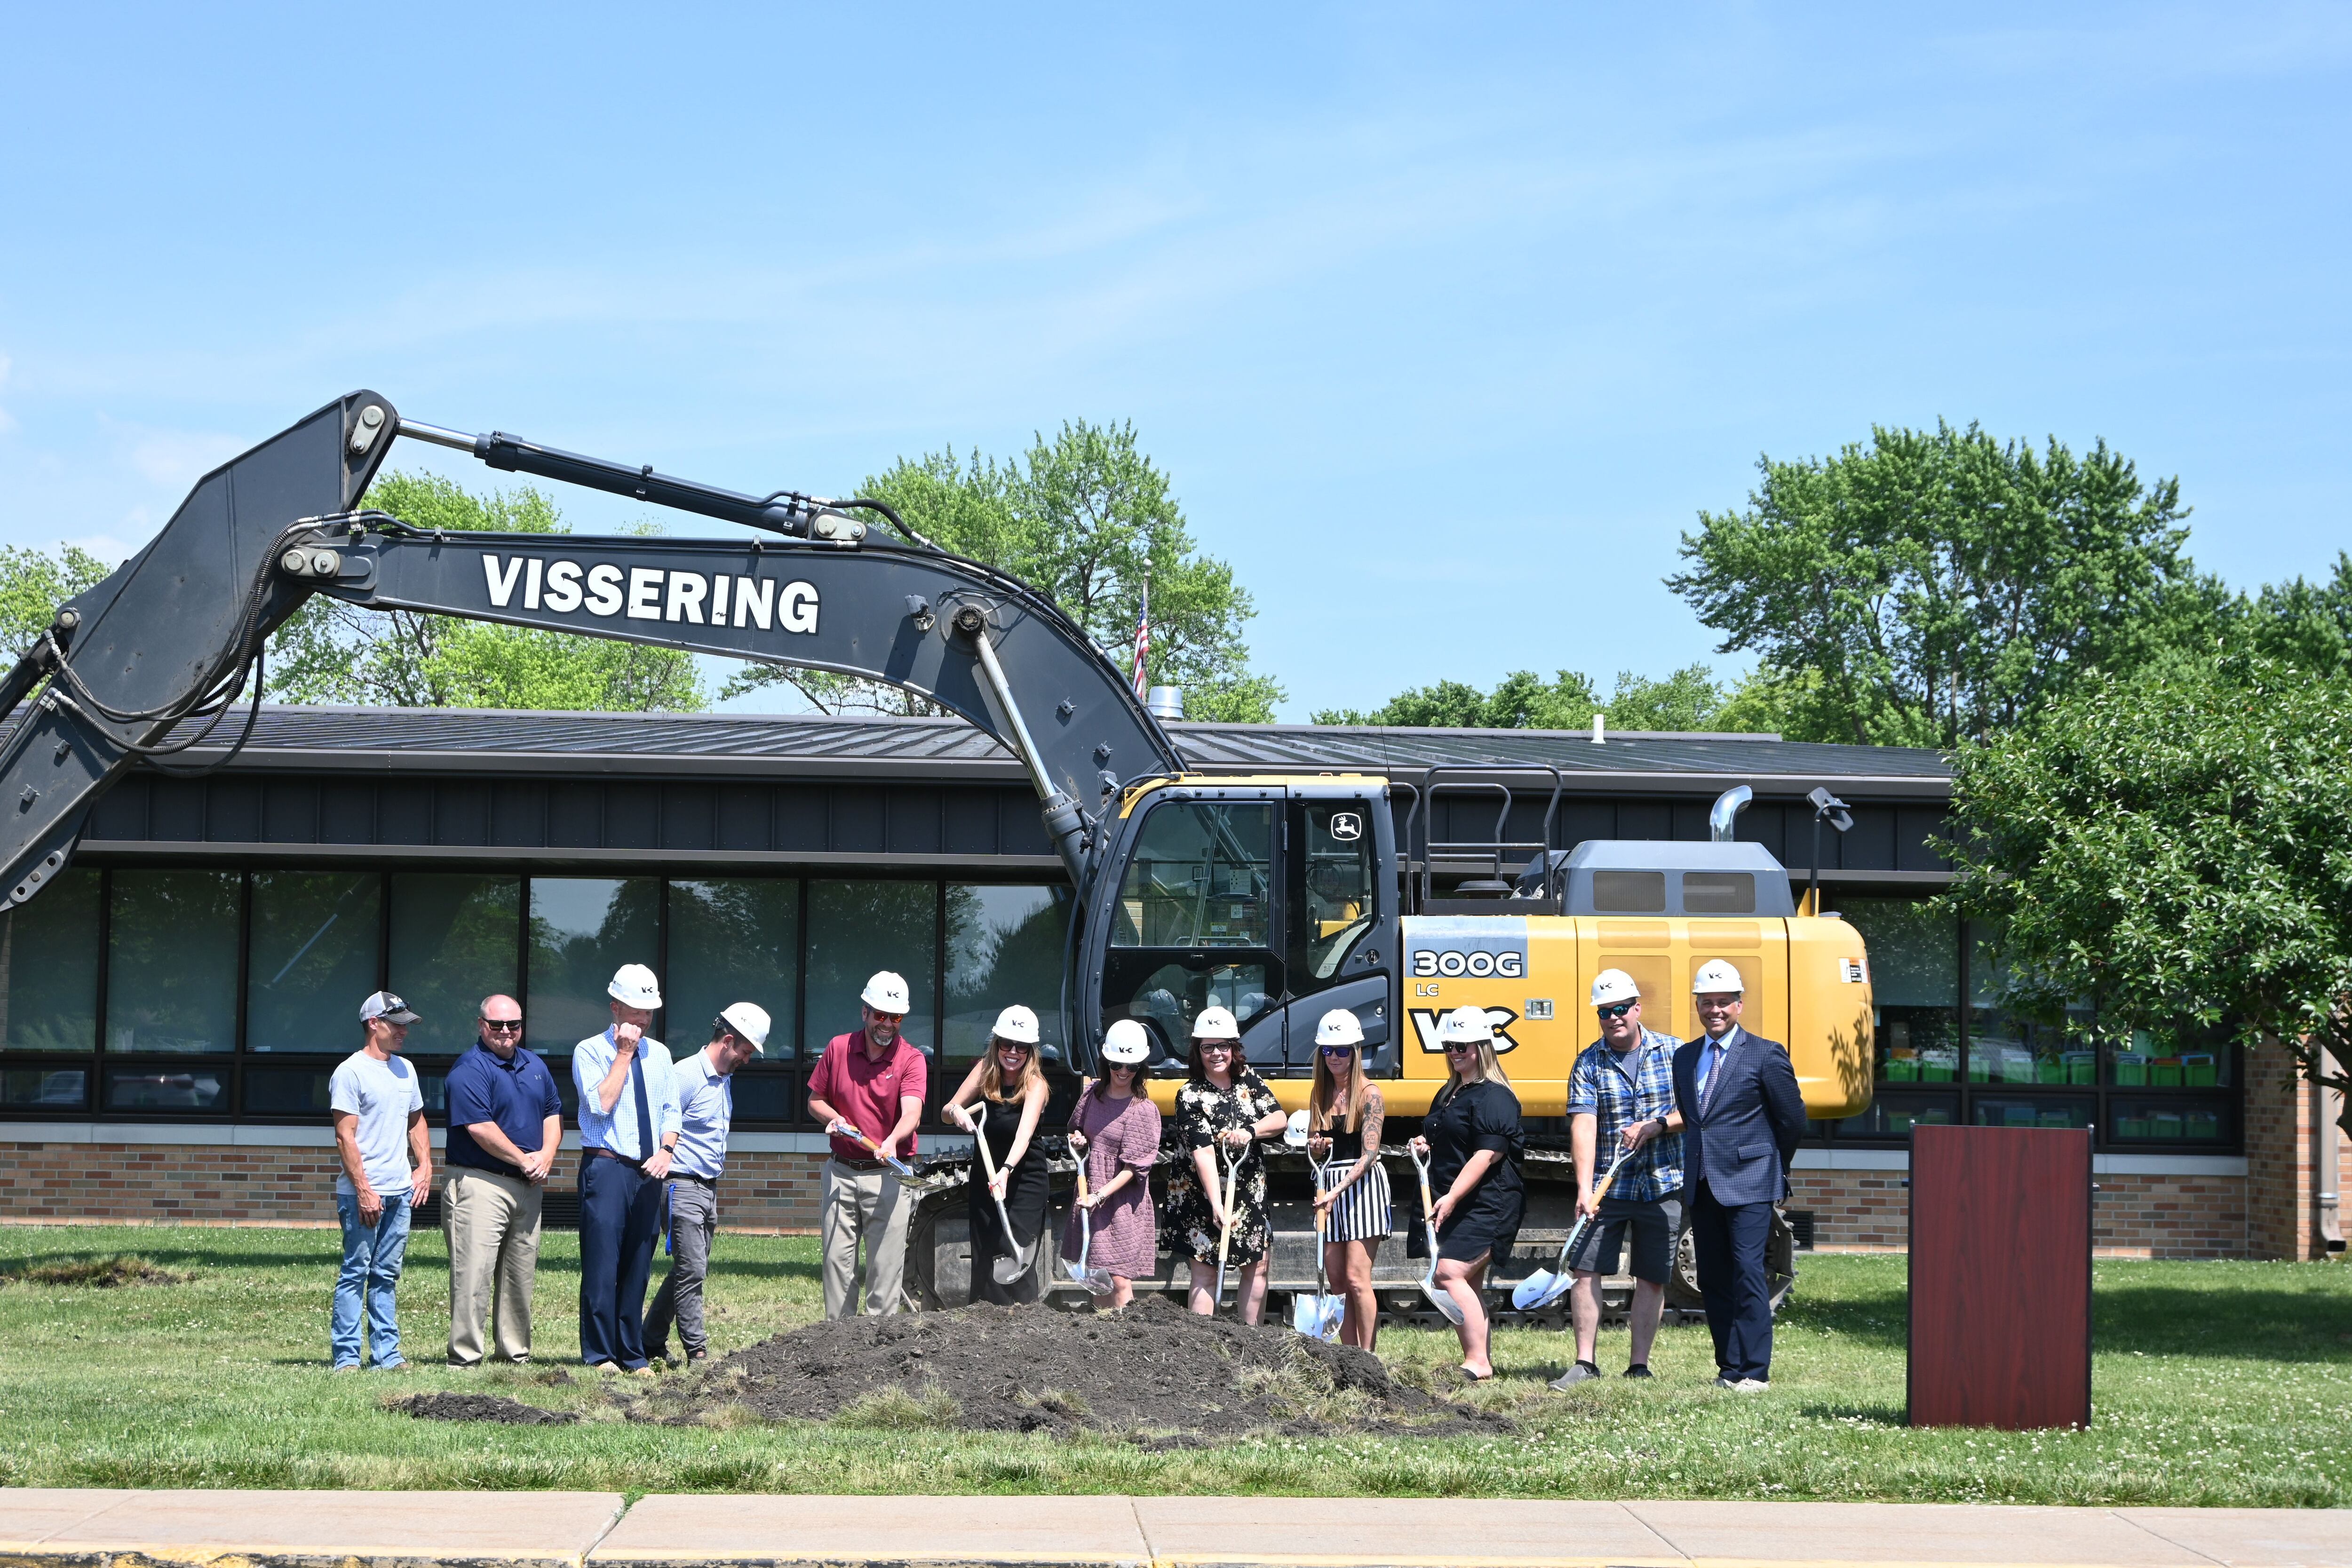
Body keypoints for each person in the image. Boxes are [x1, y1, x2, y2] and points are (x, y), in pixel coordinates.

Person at [1672, 957, 1807, 1391]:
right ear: (1698, 1005)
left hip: (1750, 1179)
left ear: (1739, 1005)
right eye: (1707, 1002)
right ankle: (1729, 1368)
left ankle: (1754, 1371)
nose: (1715, 1010)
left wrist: (1771, 1166)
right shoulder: (1685, 1056)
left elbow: (1792, 1120)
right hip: (1703, 1180)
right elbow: (1697, 1120)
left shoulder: (1766, 1054)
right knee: (1712, 1274)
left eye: (1724, 1002)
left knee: (1748, 1270)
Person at [1551, 968, 1685, 1390]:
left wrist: (1657, 1125)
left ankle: (1639, 1365)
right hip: (1610, 1191)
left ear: (1637, 1008)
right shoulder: (1589, 1062)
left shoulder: (1675, 1052)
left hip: (1663, 1183)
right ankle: (1585, 1362)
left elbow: (1697, 1112)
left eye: (1621, 1009)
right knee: (1585, 1269)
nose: (1614, 1017)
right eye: (1605, 1011)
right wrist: (1585, 1189)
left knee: (1651, 1275)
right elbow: (1585, 1126)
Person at [442, 993, 562, 1367]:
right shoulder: (470, 1069)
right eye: (497, 1025)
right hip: (480, 1182)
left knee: (519, 1276)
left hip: (527, 1185)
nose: (506, 1032)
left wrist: (546, 1156)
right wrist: (524, 1160)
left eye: (514, 1024)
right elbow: (480, 1127)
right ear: (482, 1025)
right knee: (473, 1273)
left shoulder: (535, 1065)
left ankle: (514, 1354)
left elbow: (553, 1113)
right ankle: (465, 1356)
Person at [645, 1002, 769, 1364]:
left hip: (707, 1187)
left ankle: (650, 1338)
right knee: (692, 1270)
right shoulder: (685, 1075)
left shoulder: (724, 1079)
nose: (747, 1059)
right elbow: (661, 1124)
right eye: (745, 1051)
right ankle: (697, 1352)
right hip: (681, 1185)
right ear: (728, 1040)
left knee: (689, 1268)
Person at [572, 963, 680, 1374]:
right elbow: (600, 1104)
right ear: (615, 1006)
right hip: (608, 1167)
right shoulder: (590, 1051)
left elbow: (672, 1108)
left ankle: (631, 1353)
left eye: (649, 1011)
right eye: (636, 1010)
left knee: (638, 1262)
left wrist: (667, 1150)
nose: (643, 1019)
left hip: (649, 1170)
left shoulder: (662, 1054)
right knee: (602, 1263)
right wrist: (624, 1053)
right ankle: (600, 1353)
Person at [1410, 1004, 1524, 1382]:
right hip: (1453, 1195)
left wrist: (1454, 1196)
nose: (1455, 1051)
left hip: (1489, 1201)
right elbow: (1451, 1138)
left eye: (1463, 1044)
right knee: (1466, 1281)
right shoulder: (1450, 1092)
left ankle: (1478, 1361)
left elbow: (1487, 1154)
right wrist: (1425, 1142)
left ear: (1483, 1046)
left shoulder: (1495, 1096)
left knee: (1448, 1272)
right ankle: (1477, 1361)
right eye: (1449, 1045)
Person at [805, 970, 927, 1318]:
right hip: (841, 1172)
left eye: (896, 1017)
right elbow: (815, 1101)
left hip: (889, 1175)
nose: (887, 1024)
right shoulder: (838, 1048)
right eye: (881, 1015)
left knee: (884, 1273)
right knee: (836, 1268)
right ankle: (838, 1347)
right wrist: (833, 1117)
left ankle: (879, 1353)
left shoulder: (912, 1059)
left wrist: (890, 1140)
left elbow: (912, 1114)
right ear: (865, 1012)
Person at [328, 990, 431, 1372]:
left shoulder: (406, 1069)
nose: (404, 1032)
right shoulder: (350, 1072)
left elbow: (416, 1119)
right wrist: (364, 1189)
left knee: (386, 1274)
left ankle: (388, 1356)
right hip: (364, 1195)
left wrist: (425, 1165)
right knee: (356, 1271)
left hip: (400, 1191)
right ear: (374, 1023)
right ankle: (347, 1357)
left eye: (407, 1025)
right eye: (397, 1024)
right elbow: (345, 1136)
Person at [1162, 1005, 1286, 1322]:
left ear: (1234, 1047)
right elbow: (1202, 1152)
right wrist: (1216, 1203)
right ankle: (1204, 1346)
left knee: (1257, 1266)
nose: (1216, 1053)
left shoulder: (1247, 1080)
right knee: (1205, 1271)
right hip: (1203, 1192)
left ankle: (1250, 1338)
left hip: (1247, 1189)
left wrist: (1250, 1131)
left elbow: (1279, 1117)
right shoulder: (1190, 1094)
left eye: (1223, 1045)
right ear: (1197, 1050)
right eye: (1208, 1046)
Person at [946, 1004, 1052, 1305]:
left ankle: (1024, 1323)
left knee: (1014, 1250)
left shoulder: (1036, 1084)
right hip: (985, 1176)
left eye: (1022, 1046)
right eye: (1007, 1043)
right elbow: (946, 1110)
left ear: (1031, 1051)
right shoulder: (984, 1071)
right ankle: (985, 1326)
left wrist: (1006, 1171)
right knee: (986, 1249)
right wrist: (956, 1113)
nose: (1013, 1051)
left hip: (1024, 1179)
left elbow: (1024, 1135)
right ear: (997, 1043)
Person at [1060, 1018, 1162, 1309]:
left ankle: (1127, 1338)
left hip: (1119, 1203)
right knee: (1095, 1274)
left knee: (1118, 1278)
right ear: (1107, 1062)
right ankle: (1103, 1344)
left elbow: (1134, 1168)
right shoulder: (1092, 1095)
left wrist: (1100, 1196)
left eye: (1131, 1067)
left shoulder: (1143, 1111)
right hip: (1089, 1190)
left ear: (1141, 1068)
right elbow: (1074, 1130)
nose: (1124, 1072)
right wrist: (1079, 1139)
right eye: (1117, 1065)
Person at [1306, 1007, 1391, 1350]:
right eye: (1328, 1050)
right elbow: (1314, 1147)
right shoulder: (1319, 1094)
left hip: (1361, 1188)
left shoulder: (1370, 1094)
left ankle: (1368, 1355)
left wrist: (1336, 1191)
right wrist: (1316, 1144)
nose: (1335, 1057)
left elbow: (1369, 1155)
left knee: (1358, 1279)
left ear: (1356, 1051)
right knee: (1337, 1280)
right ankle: (1348, 1352)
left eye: (1342, 1050)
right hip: (1328, 1185)